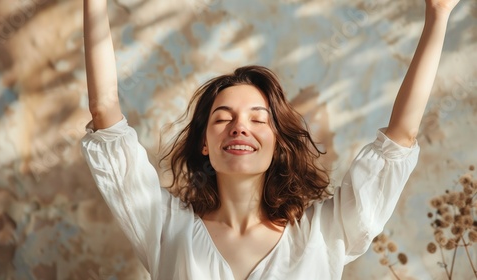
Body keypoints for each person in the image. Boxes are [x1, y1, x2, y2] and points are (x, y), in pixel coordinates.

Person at [81, 0, 460, 279]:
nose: (239, 127)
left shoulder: (323, 232)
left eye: (258, 119)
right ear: (203, 143)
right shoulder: (163, 226)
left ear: (277, 142)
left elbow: (401, 137)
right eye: (222, 118)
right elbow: (104, 109)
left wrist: (438, 15)